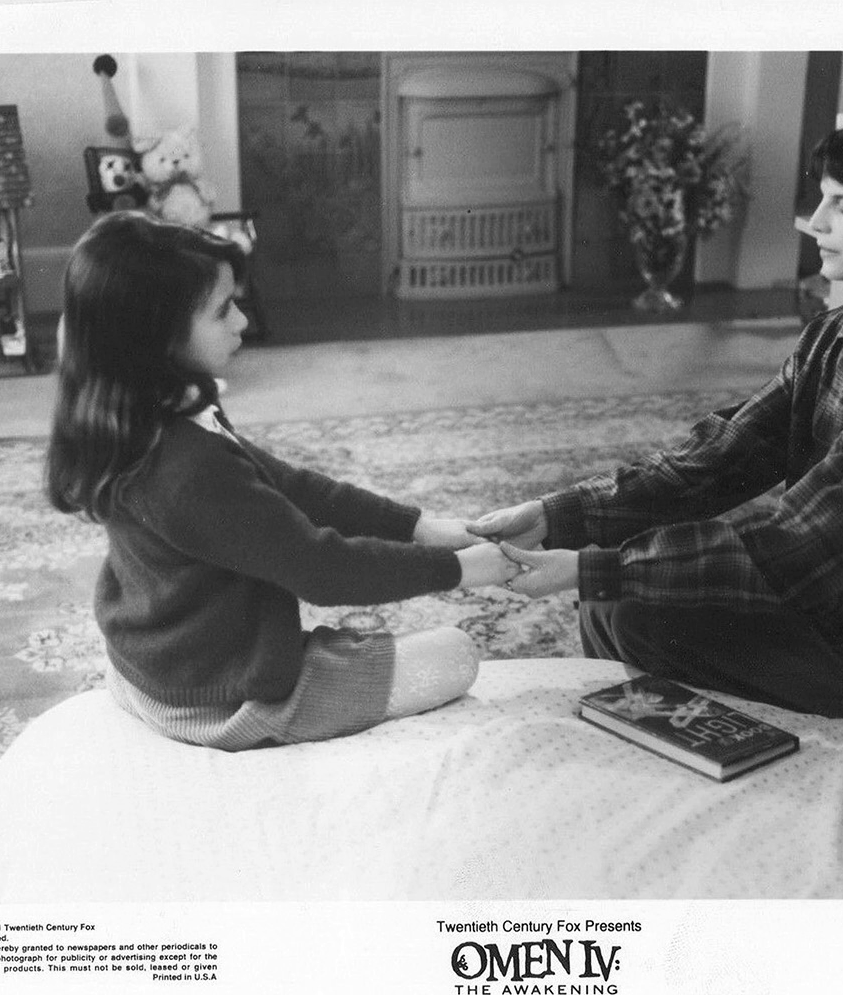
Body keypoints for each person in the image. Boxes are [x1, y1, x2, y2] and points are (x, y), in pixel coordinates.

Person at [474, 107, 843, 724]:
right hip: (831, 603)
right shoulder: (837, 334)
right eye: (822, 199)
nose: (815, 222)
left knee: (623, 601)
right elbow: (718, 459)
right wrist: (557, 515)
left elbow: (797, 545)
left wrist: (589, 568)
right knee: (615, 594)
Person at [45, 210, 520, 751]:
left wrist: (420, 527)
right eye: (222, 311)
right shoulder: (185, 468)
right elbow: (322, 569)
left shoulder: (144, 414)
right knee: (456, 654)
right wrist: (465, 569)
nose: (242, 321)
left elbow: (289, 486)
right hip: (215, 697)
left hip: (157, 661)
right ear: (157, 335)